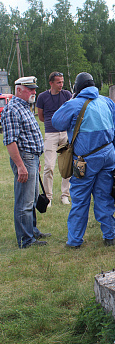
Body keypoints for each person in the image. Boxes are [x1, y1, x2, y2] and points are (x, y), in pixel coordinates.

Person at [52, 72, 115, 248]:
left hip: (85, 160)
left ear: (77, 88)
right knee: (104, 197)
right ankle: (109, 237)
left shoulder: (74, 104)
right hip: (107, 157)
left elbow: (56, 122)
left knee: (80, 200)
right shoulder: (107, 102)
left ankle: (75, 241)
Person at [1, 76, 51, 248]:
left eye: (34, 89)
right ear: (19, 89)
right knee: (24, 201)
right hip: (24, 158)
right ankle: (26, 240)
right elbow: (10, 141)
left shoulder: (24, 107)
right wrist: (21, 166)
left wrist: (35, 161)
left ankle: (33, 231)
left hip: (32, 158)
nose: (34, 92)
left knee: (32, 199)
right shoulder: (12, 110)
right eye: (30, 89)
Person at [36, 71, 72, 206]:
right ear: (51, 83)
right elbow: (41, 116)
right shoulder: (42, 97)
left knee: (67, 165)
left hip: (65, 133)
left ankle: (65, 195)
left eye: (62, 82)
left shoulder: (67, 95)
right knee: (49, 166)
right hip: (51, 134)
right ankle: (48, 197)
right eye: (58, 82)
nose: (61, 84)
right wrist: (53, 124)